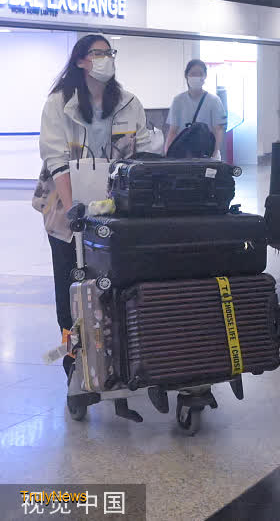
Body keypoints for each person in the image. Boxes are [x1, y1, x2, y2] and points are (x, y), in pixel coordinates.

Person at [34, 34, 150, 377]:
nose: (106, 60)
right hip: (68, 209)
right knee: (70, 285)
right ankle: (74, 361)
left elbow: (141, 154)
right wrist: (75, 214)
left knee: (116, 282)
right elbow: (57, 162)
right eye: (98, 54)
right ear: (81, 61)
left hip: (116, 211)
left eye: (109, 53)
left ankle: (120, 357)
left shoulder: (128, 103)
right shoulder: (58, 104)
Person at [166, 59, 227, 158]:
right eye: (193, 74)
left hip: (207, 151)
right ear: (186, 76)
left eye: (200, 74)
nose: (196, 77)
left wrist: (214, 153)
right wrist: (168, 153)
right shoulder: (178, 100)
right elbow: (173, 130)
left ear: (205, 76)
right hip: (184, 153)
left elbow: (218, 130)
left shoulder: (214, 101)